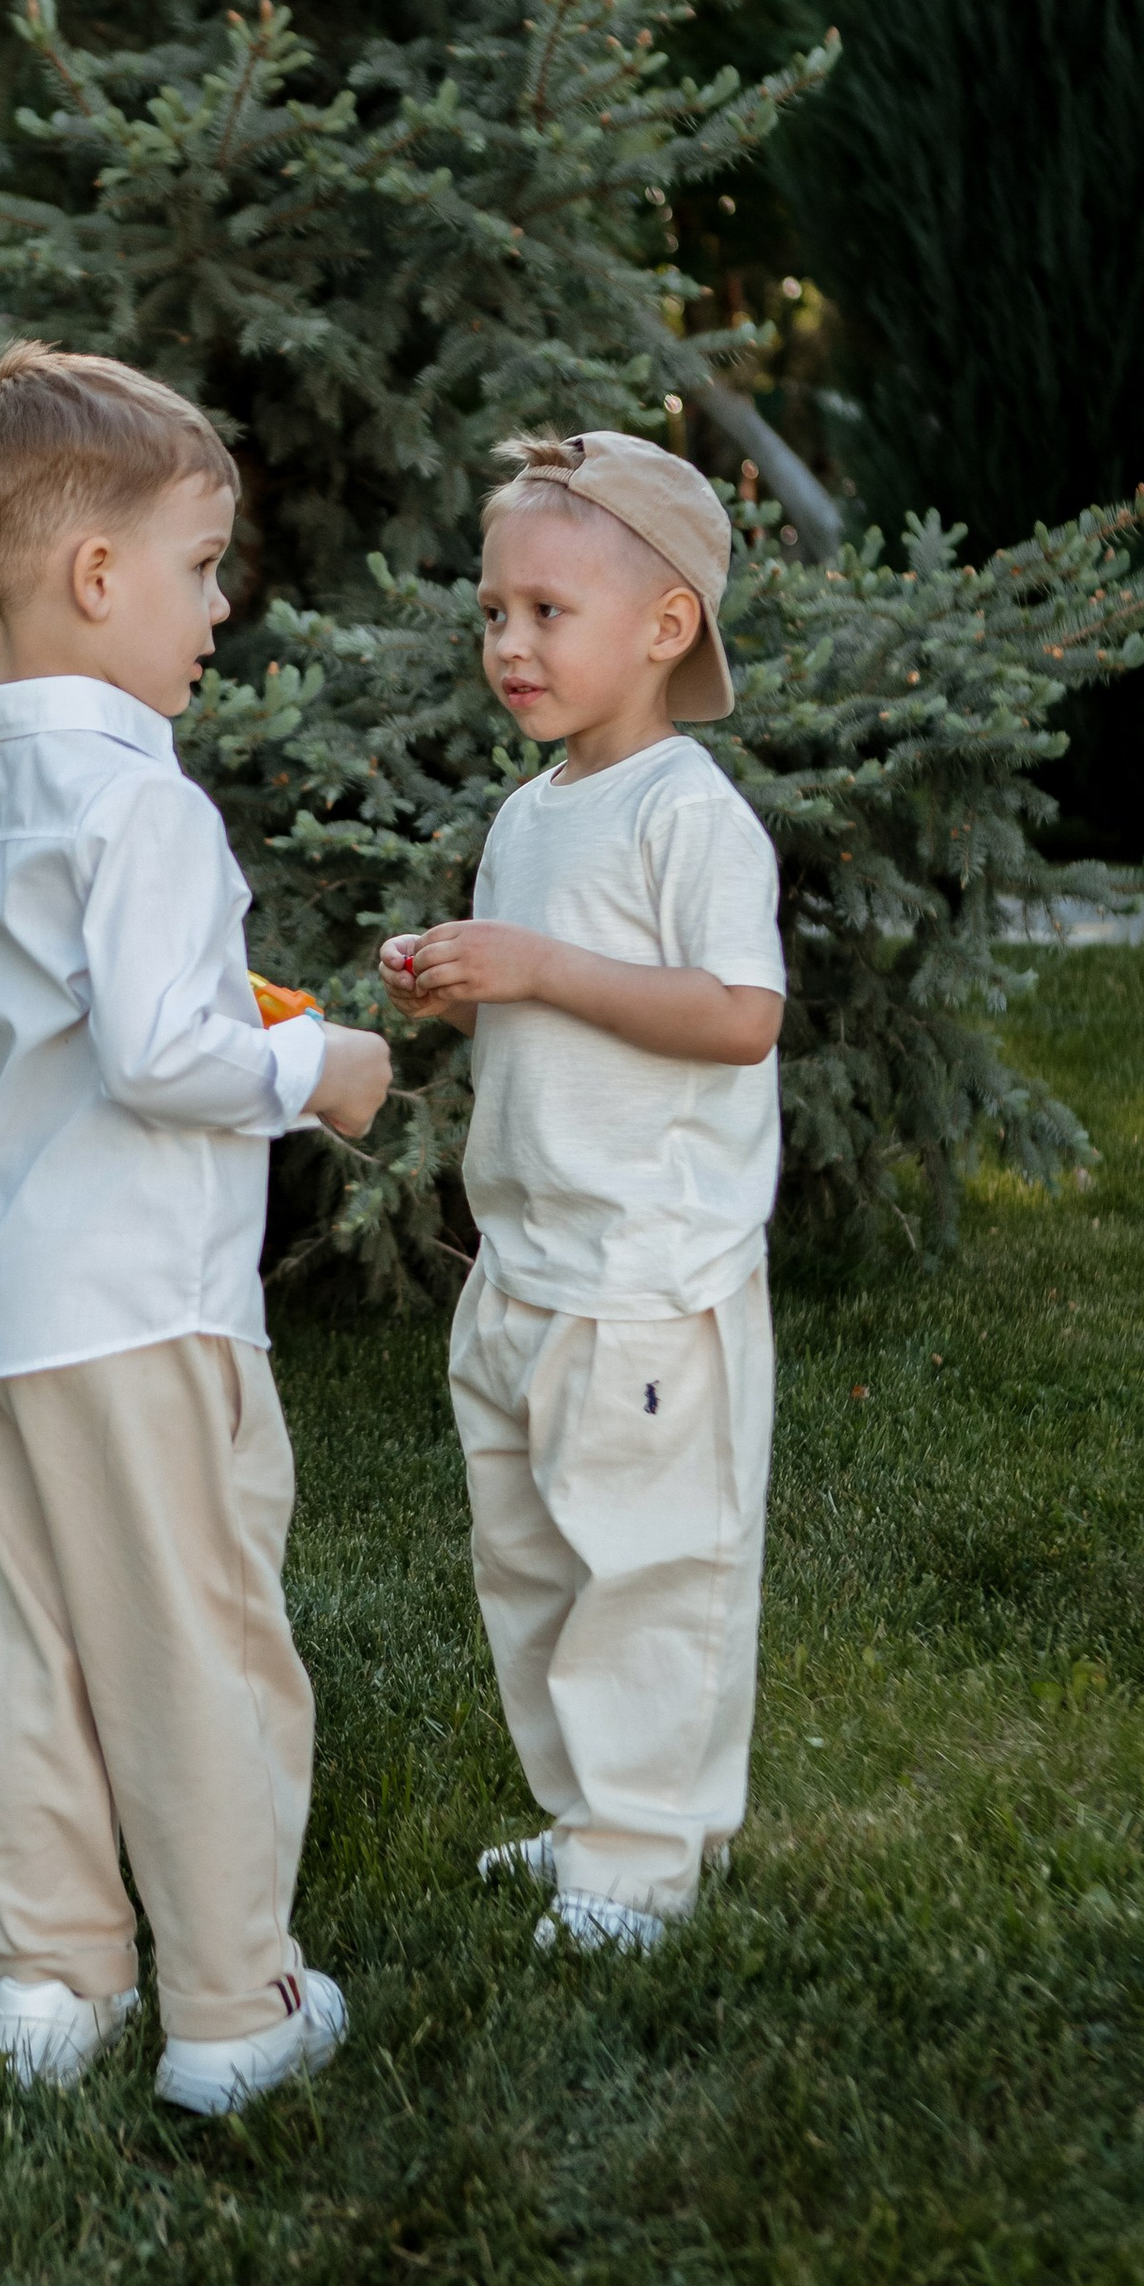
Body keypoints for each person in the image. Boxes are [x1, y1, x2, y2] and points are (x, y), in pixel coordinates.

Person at [0, 342, 392, 2109]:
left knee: (29, 1640)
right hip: (144, 1308)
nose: (219, 603)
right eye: (198, 568)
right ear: (98, 578)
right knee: (196, 1643)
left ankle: (49, 1982)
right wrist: (321, 1061)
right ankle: (233, 2012)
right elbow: (171, 1053)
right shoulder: (146, 802)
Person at [381, 432, 783, 1954]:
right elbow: (555, 1001)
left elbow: (738, 1014)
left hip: (643, 1277)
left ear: (665, 627)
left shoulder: (689, 812)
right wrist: (466, 986)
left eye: (548, 612)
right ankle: (593, 1825)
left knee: (646, 1576)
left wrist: (537, 964)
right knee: (535, 1567)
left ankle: (644, 1865)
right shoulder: (535, 811)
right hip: (528, 1262)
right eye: (494, 613)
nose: (509, 644)